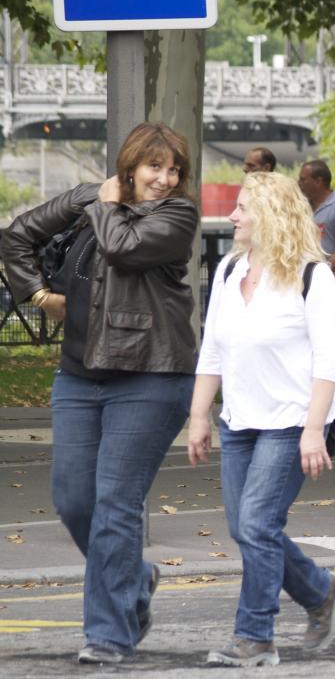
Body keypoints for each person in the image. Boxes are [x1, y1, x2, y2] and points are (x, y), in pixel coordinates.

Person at [1, 123, 198, 665]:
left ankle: (108, 635)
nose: (164, 179)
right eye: (153, 167)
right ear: (130, 165)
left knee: (116, 505)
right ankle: (134, 580)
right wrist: (40, 295)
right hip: (80, 374)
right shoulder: (91, 199)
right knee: (72, 499)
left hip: (150, 374)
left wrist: (104, 204)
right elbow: (16, 235)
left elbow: (122, 247)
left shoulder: (178, 216)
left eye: (173, 170)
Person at [188, 171, 335, 666]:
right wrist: (199, 416)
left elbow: (328, 360)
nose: (233, 216)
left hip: (290, 421)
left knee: (258, 523)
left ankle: (255, 637)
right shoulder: (229, 272)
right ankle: (319, 590)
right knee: (247, 528)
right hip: (240, 421)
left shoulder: (310, 275)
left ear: (271, 216)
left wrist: (313, 429)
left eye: (242, 208)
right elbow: (212, 348)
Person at [299, 159, 335, 282]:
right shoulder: (301, 206)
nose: (299, 183)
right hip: (303, 273)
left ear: (318, 181)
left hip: (333, 275)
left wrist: (326, 267)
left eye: (303, 179)